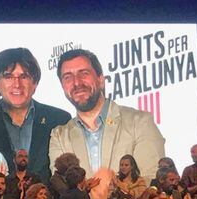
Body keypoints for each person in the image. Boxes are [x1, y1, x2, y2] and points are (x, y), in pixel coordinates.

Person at [49, 48, 165, 183]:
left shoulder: (140, 122)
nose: (77, 83)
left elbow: (150, 182)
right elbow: (63, 188)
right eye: (68, 77)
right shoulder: (59, 136)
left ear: (101, 79)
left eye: (84, 73)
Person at [0, 47, 71, 183]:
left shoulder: (59, 119)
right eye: (8, 76)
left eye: (24, 76)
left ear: (35, 83)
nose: (17, 84)